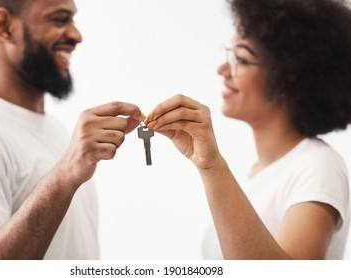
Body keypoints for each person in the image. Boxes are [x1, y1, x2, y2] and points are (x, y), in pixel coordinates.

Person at [145, 0, 351, 259]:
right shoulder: (258, 173)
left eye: (241, 59)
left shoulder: (319, 166)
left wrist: (213, 167)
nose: (222, 70)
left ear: (290, 75)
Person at [0, 0, 144, 259]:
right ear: (4, 26)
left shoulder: (57, 130)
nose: (76, 35)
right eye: (60, 20)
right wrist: (64, 176)